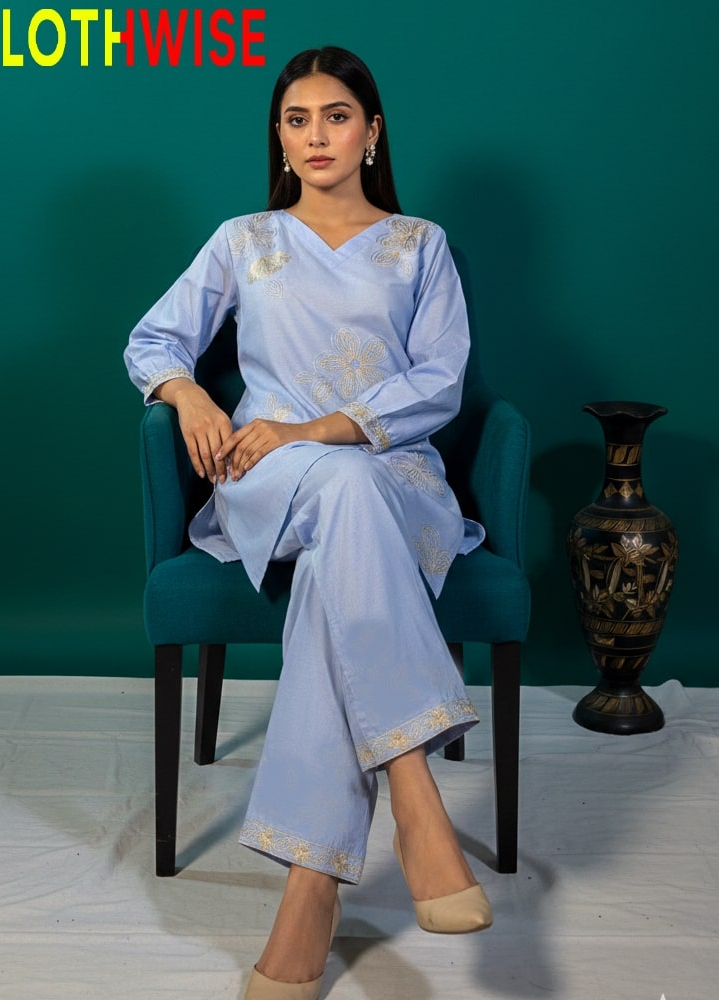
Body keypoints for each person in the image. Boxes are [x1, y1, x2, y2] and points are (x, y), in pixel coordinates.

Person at [125, 45, 492, 1000]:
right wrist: (192, 401)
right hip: (270, 476)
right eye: (296, 119)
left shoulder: (421, 243)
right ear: (279, 140)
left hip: (389, 474)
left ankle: (308, 889)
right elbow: (153, 337)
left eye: (336, 115)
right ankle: (413, 791)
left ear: (373, 131)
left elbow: (438, 381)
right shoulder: (246, 239)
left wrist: (322, 426)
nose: (316, 136)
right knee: (337, 493)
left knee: (353, 514)